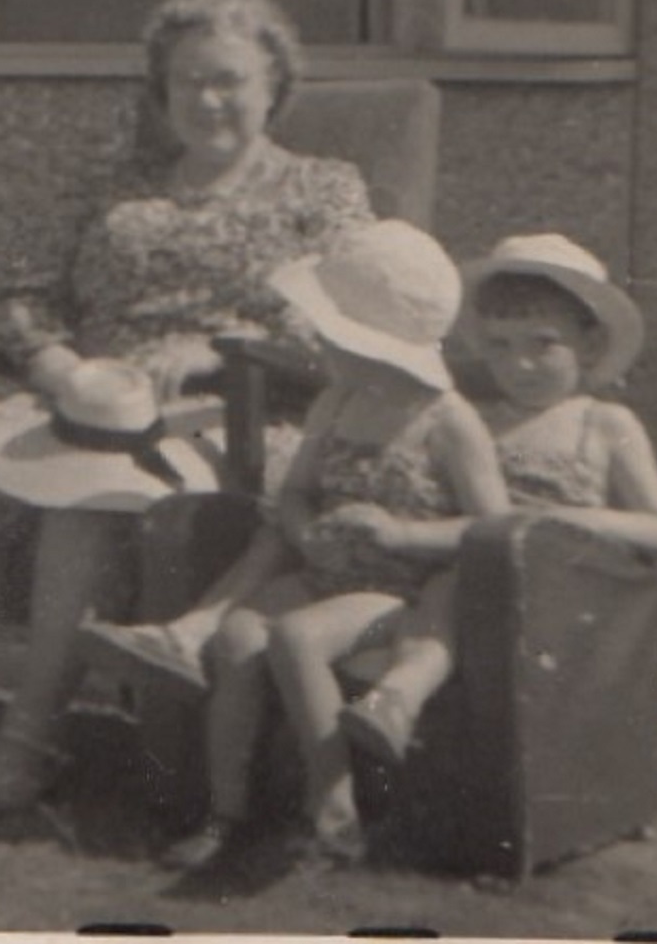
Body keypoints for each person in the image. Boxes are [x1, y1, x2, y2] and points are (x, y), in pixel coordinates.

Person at [0, 0, 374, 814]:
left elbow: (350, 322)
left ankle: (31, 740)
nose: (208, 100)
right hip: (92, 394)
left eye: (229, 80)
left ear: (274, 84)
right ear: (160, 91)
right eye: (187, 81)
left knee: (85, 498)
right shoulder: (112, 182)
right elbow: (23, 294)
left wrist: (216, 350)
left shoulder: (323, 190)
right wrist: (58, 364)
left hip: (239, 407)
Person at [155, 220, 505, 870]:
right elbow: (296, 492)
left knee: (296, 636)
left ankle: (336, 804)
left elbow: (493, 530)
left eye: (331, 333)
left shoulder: (447, 421)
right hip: (326, 569)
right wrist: (303, 528)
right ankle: (225, 811)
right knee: (237, 635)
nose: (319, 344)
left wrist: (405, 532)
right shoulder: (338, 400)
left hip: (398, 589)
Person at [334, 233, 657, 769]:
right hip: (471, 568)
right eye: (500, 345)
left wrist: (565, 517)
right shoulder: (479, 421)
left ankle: (401, 692)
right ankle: (396, 703)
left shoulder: (604, 423)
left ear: (588, 345)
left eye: (543, 344)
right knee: (447, 583)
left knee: (458, 583)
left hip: (569, 580)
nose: (520, 365)